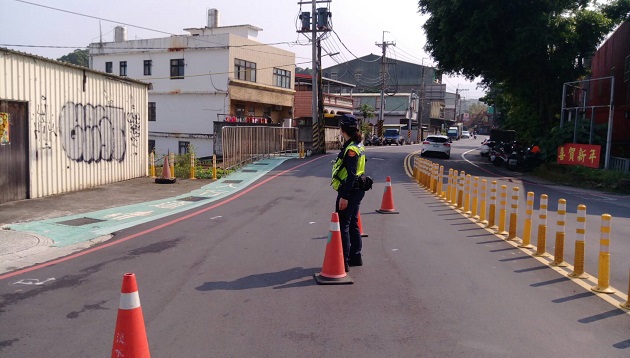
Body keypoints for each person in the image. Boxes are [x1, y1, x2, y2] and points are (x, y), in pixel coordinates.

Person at [331, 114, 367, 272]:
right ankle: (355, 256)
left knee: (344, 225)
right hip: (357, 190)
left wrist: (345, 196)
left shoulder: (351, 149)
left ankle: (343, 261)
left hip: (349, 190)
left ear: (343, 129)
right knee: (352, 223)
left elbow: (351, 174)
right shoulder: (357, 145)